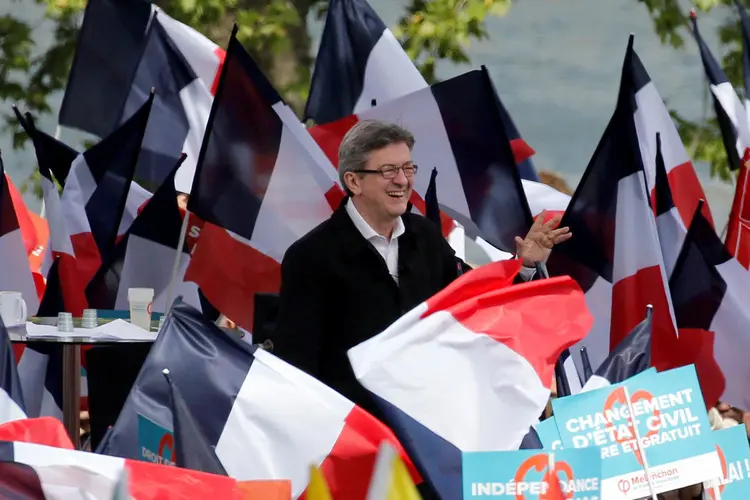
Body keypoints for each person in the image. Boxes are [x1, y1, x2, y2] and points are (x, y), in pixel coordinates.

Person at [273, 120, 572, 420]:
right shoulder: (310, 257)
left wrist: (525, 264)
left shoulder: (426, 237)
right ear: (354, 181)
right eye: (388, 171)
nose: (402, 181)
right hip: (355, 433)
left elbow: (474, 302)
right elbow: (298, 369)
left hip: (429, 426)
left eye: (408, 169)